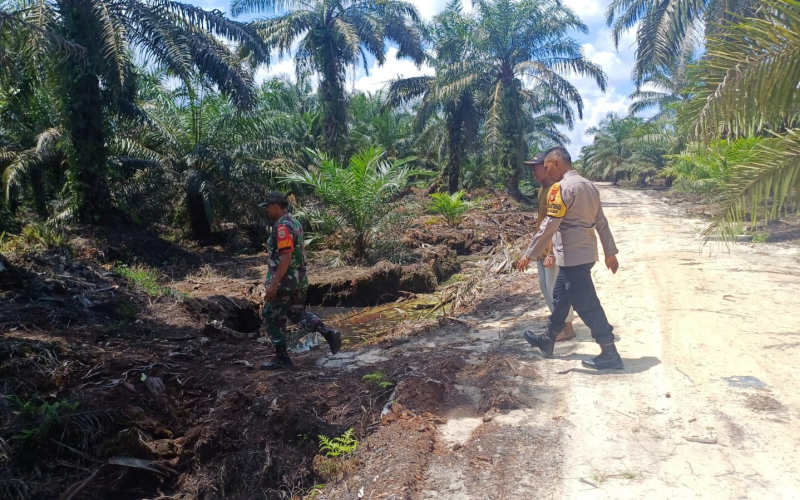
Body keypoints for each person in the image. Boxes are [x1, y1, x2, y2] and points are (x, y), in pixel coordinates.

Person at [516, 147, 623, 370]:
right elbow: (601, 221)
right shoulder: (589, 186)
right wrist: (609, 252)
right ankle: (548, 339)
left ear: (556, 163)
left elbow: (550, 224)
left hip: (573, 256)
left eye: (546, 167)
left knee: (587, 305)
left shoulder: (561, 188)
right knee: (561, 297)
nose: (546, 172)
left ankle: (610, 352)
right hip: (584, 252)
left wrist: (529, 253)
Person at [259, 192, 341, 369]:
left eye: (267, 206)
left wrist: (273, 283)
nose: (266, 210)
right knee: (296, 313)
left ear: (275, 206)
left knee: (271, 315)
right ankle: (328, 333)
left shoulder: (282, 227)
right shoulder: (294, 222)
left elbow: (286, 255)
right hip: (298, 280)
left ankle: (282, 358)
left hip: (284, 282)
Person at [523, 153, 575, 342]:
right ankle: (558, 323)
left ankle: (567, 327)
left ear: (546, 168)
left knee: (556, 289)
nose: (533, 174)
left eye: (535, 169)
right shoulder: (541, 191)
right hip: (541, 250)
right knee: (545, 287)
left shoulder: (555, 190)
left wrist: (551, 252)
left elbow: (556, 223)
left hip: (551, 251)